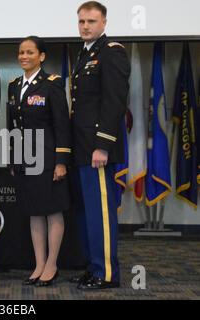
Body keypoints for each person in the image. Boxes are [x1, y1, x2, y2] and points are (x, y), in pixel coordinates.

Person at [69, 1, 130, 290]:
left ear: (104, 23)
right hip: (81, 149)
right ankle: (92, 267)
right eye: (81, 21)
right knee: (86, 212)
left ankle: (106, 274)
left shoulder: (111, 53)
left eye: (91, 21)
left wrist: (103, 145)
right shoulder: (85, 55)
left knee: (100, 214)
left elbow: (115, 102)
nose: (85, 26)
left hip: (97, 150)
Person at [7, 36, 71, 287]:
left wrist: (61, 161)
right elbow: (13, 125)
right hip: (25, 159)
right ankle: (39, 263)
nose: (24, 56)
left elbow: (62, 126)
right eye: (21, 52)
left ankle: (52, 264)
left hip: (47, 159)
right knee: (34, 211)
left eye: (30, 52)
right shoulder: (14, 85)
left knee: (52, 211)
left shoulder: (52, 84)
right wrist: (13, 158)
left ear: (41, 56)